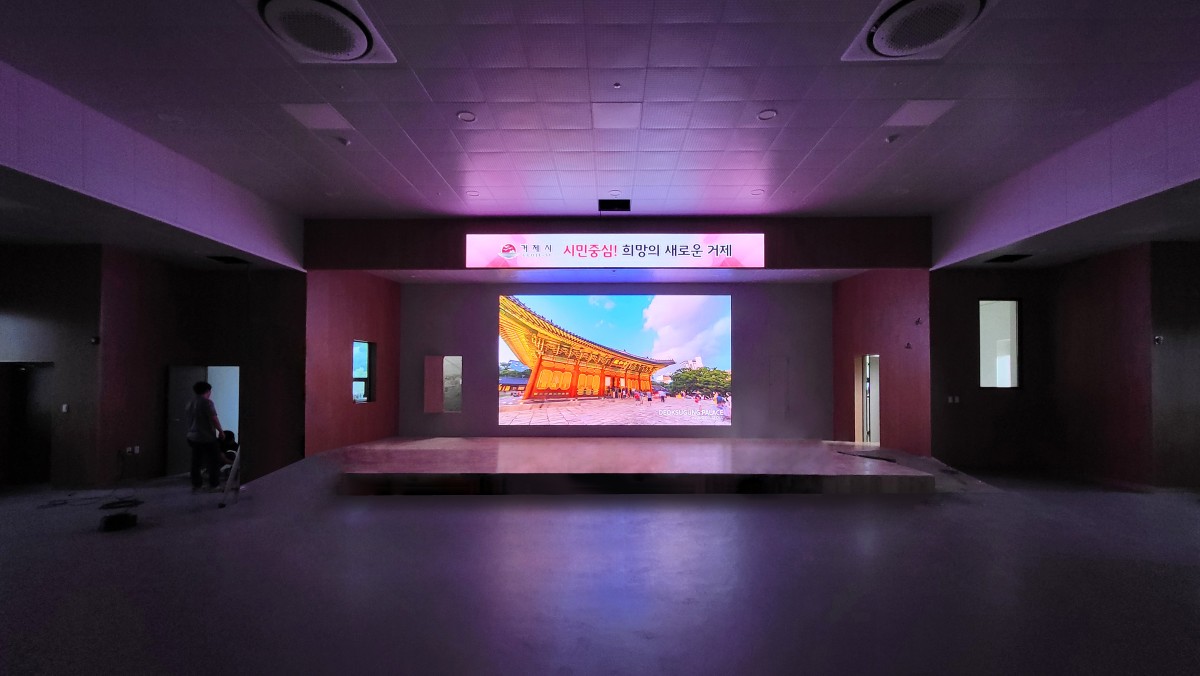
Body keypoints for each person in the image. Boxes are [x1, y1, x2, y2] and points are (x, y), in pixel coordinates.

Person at [185, 381, 224, 492]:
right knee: (214, 461)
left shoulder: (190, 403)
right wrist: (221, 431)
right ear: (208, 391)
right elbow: (214, 418)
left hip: (192, 436)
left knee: (196, 462)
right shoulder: (207, 403)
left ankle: (196, 485)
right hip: (206, 437)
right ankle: (214, 485)